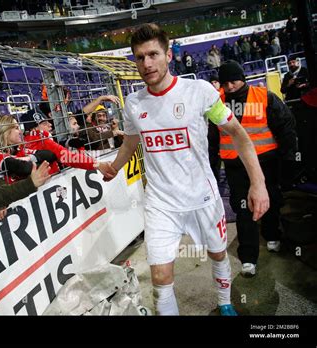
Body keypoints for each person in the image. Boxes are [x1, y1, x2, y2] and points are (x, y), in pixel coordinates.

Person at [100, 24, 270, 316]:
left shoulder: (199, 92)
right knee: (160, 279)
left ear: (168, 55)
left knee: (217, 253)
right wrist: (114, 167)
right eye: (140, 57)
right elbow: (131, 141)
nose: (147, 63)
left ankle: (224, 301)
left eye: (153, 54)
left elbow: (238, 134)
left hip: (202, 197)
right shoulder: (133, 103)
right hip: (161, 204)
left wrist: (258, 182)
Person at [209, 60, 297, 277]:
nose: (229, 86)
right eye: (225, 82)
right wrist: (211, 169)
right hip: (236, 167)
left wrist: (288, 159)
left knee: (270, 200)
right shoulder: (216, 103)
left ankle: (272, 235)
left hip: (266, 163)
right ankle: (248, 257)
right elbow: (211, 140)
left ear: (243, 78)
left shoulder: (264, 96)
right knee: (243, 210)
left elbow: (286, 126)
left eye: (234, 81)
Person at [20, 109, 111, 175]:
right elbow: (67, 156)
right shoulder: (42, 139)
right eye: (44, 123)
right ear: (34, 128)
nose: (50, 124)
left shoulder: (23, 144)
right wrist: (97, 164)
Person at [0, 115, 57, 183]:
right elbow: (23, 168)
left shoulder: (15, 150)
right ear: (4, 131)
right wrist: (33, 160)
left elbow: (50, 155)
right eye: (16, 128)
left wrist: (28, 158)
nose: (20, 131)